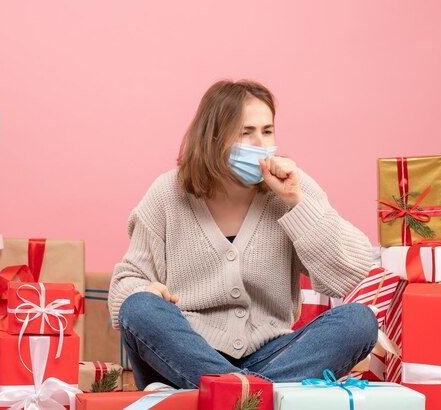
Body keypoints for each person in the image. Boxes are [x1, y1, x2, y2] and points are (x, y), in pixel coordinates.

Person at [108, 79, 377, 391]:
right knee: (139, 306)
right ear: (214, 138)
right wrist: (145, 290)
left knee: (359, 321)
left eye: (267, 131)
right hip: (186, 356)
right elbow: (125, 283)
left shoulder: (290, 188)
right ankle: (253, 395)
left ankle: (235, 395)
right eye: (246, 133)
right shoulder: (168, 193)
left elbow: (350, 271)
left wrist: (297, 204)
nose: (262, 145)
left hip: (274, 356)